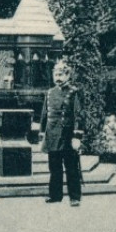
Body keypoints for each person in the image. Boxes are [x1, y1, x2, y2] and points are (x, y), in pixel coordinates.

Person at [39, 59, 84, 206]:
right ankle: (55, 195)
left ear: (67, 75)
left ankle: (75, 197)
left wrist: (77, 136)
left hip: (67, 136)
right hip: (52, 135)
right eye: (55, 74)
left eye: (61, 74)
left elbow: (79, 115)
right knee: (54, 168)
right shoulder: (50, 93)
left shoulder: (74, 92)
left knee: (71, 168)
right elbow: (44, 115)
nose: (57, 77)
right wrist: (42, 135)